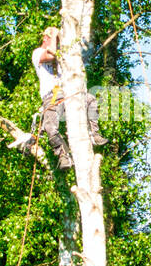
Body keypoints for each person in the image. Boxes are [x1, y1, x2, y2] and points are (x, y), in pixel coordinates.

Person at [31, 26, 107, 168]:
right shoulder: (38, 53)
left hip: (68, 93)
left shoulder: (62, 55)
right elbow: (51, 55)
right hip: (52, 97)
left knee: (90, 99)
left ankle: (94, 134)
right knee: (50, 126)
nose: (57, 43)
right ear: (46, 38)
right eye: (55, 40)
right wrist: (54, 34)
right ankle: (62, 154)